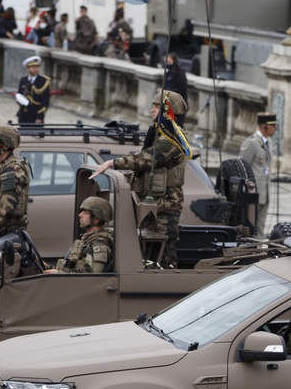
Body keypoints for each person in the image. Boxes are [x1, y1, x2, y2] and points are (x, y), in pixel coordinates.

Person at [92, 89, 188, 268]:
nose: (152, 110)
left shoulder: (172, 137)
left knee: (164, 254)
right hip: (154, 203)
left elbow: (149, 158)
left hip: (166, 205)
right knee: (148, 252)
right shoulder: (160, 133)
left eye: (157, 106)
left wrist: (114, 163)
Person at [46, 197, 114, 274]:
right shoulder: (87, 241)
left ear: (96, 218)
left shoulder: (99, 245)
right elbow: (71, 269)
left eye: (85, 212)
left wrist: (59, 273)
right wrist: (48, 267)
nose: (80, 215)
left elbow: (92, 277)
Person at [239, 112, 276, 236]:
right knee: (250, 227)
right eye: (273, 126)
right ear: (264, 126)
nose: (275, 128)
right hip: (253, 193)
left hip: (265, 193)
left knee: (260, 227)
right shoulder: (251, 143)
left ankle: (259, 246)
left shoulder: (268, 142)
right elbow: (242, 167)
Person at [17, 56, 50, 124]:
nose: (36, 69)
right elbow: (19, 94)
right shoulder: (23, 80)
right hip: (24, 114)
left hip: (36, 115)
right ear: (28, 68)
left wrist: (40, 117)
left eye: (37, 67)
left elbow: (45, 101)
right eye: (33, 67)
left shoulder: (43, 81)